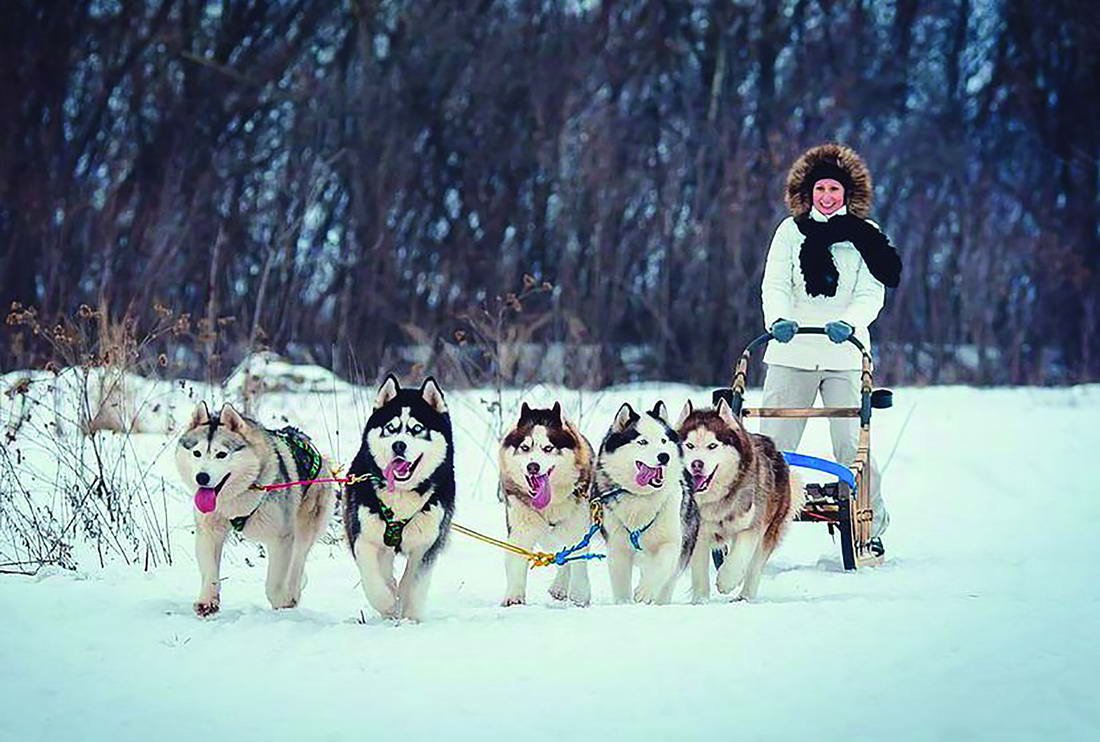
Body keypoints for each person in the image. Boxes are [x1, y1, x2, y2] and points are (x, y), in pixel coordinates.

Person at [759, 144, 901, 555]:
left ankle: (869, 525)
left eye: (834, 189)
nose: (826, 196)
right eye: (820, 188)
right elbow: (775, 284)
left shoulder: (865, 234)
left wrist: (851, 323)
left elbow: (871, 292)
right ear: (807, 192)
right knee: (773, 448)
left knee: (853, 446)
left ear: (847, 193)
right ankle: (754, 527)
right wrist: (778, 319)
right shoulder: (790, 231)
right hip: (792, 351)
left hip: (844, 354)